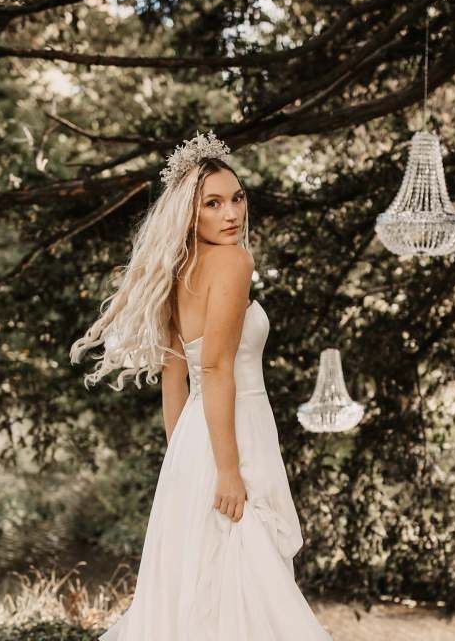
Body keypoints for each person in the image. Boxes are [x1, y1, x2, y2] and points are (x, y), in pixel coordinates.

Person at [70, 129, 333, 640]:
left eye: (236, 198)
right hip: (233, 432)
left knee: (203, 579)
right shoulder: (234, 261)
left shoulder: (177, 269)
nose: (230, 214)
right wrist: (228, 469)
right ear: (190, 212)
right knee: (246, 576)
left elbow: (175, 374)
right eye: (213, 204)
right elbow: (211, 369)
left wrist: (183, 459)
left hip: (195, 439)